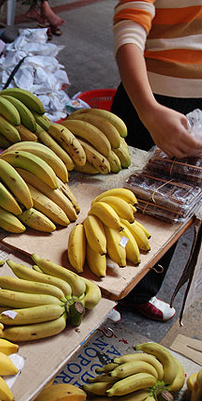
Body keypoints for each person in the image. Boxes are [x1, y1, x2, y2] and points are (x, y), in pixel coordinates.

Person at [110, 0, 202, 321]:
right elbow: (129, 29)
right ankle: (101, 287)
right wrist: (148, 109)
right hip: (147, 97)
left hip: (197, 106)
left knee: (175, 206)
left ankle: (140, 291)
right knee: (118, 200)